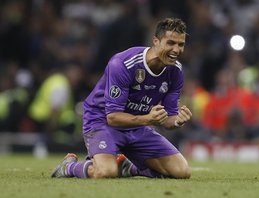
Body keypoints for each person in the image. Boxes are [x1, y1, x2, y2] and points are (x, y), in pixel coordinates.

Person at [51, 18, 192, 179]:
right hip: (102, 120)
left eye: (181, 44)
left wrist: (176, 121)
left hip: (138, 126)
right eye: (171, 43)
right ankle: (69, 167)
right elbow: (113, 117)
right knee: (105, 172)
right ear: (156, 41)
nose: (176, 50)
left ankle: (128, 167)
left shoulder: (176, 72)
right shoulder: (123, 63)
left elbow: (167, 119)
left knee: (182, 172)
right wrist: (147, 119)